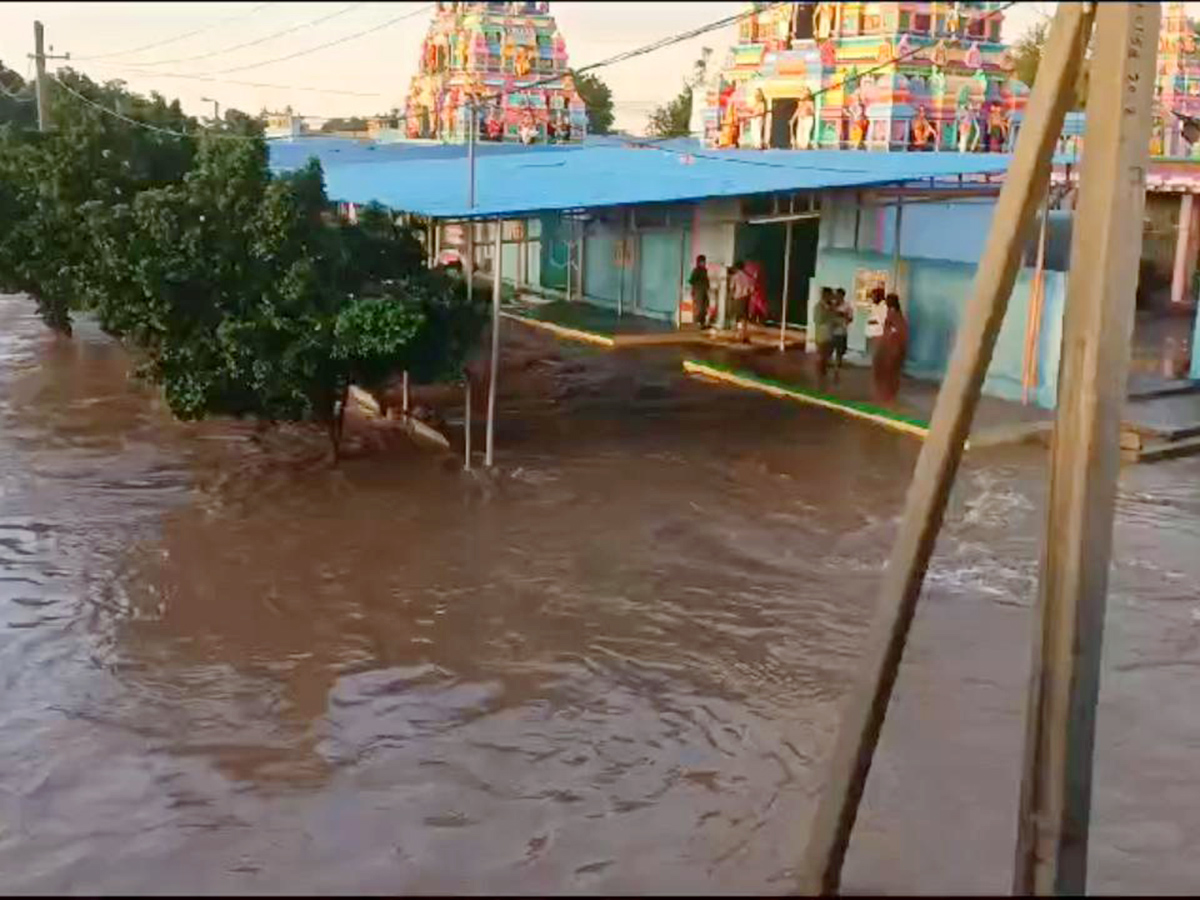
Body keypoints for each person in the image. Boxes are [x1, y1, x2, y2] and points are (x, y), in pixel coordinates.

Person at [872, 292, 908, 402]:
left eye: (888, 301)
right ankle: (888, 395)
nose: (886, 302)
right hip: (891, 348)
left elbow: (897, 332)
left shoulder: (894, 315)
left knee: (889, 373)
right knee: (890, 373)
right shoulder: (895, 314)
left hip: (892, 349)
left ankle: (887, 396)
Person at [812, 287, 837, 383]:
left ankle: (823, 376)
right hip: (822, 336)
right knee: (821, 357)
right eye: (830, 295)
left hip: (830, 335)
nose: (831, 298)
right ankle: (819, 378)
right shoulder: (819, 307)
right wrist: (829, 314)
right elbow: (818, 320)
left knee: (827, 357)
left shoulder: (830, 306)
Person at [831, 286, 853, 381]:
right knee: (829, 349)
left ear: (843, 296)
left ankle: (836, 370)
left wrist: (843, 316)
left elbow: (850, 318)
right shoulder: (832, 305)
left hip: (841, 331)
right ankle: (831, 368)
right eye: (836, 295)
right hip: (831, 331)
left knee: (840, 351)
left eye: (839, 295)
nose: (837, 297)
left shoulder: (847, 306)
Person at [729, 260, 754, 343]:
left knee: (738, 317)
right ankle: (744, 334)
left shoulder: (735, 276)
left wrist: (732, 297)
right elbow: (752, 289)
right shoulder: (748, 277)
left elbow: (732, 288)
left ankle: (739, 334)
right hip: (746, 298)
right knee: (744, 318)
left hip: (738, 298)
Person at [688, 254, 711, 329]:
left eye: (704, 261)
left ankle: (702, 323)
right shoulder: (696, 270)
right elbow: (691, 281)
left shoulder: (704, 270)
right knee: (699, 308)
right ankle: (696, 323)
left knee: (705, 307)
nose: (703, 263)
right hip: (698, 291)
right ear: (698, 262)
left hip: (704, 290)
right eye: (701, 262)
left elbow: (706, 281)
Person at [864, 284, 887, 357]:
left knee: (878, 353)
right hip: (871, 332)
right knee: (872, 353)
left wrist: (874, 321)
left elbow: (883, 319)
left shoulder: (884, 306)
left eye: (874, 295)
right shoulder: (873, 306)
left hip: (879, 333)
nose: (872, 297)